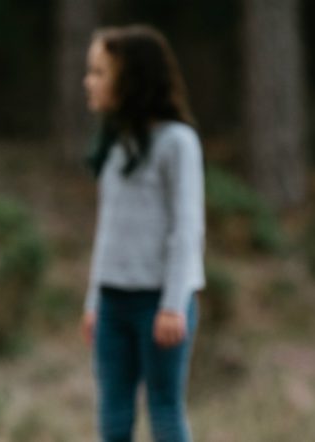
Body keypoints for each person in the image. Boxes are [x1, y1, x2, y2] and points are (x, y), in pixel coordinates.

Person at [80, 25, 205, 442]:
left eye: (99, 72)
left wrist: (174, 303)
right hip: (112, 302)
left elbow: (187, 228)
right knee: (113, 415)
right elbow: (108, 230)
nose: (89, 82)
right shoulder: (118, 145)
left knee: (164, 409)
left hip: (159, 303)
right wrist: (94, 300)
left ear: (132, 79)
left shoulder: (177, 142)